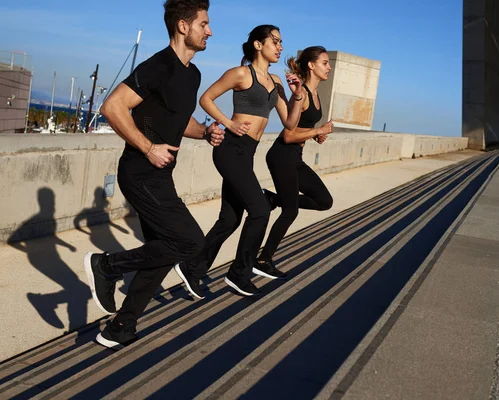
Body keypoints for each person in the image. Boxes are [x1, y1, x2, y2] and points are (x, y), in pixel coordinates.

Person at [83, 0, 224, 349]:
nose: (210, 31)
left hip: (160, 175)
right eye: (203, 24)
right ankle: (107, 265)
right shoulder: (158, 66)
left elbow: (178, 120)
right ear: (182, 26)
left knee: (164, 248)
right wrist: (148, 147)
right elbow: (112, 107)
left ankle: (121, 326)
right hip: (139, 171)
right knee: (189, 241)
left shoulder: (192, 74)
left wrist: (204, 132)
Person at [175, 24, 304, 297]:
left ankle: (192, 268)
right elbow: (206, 98)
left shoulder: (277, 82)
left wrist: (298, 96)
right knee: (260, 210)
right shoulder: (241, 74)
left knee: (229, 219)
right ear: (258, 45)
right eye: (275, 42)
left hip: (247, 153)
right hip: (230, 149)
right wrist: (227, 124)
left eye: (281, 42)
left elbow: (290, 123)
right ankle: (239, 273)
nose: (280, 47)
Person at [258, 46, 334, 274]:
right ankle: (263, 260)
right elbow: (289, 134)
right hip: (282, 155)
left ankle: (273, 199)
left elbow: (303, 129)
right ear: (311, 66)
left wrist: (316, 134)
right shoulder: (301, 95)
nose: (329, 67)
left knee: (324, 201)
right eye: (324, 63)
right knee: (291, 211)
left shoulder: (316, 94)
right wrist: (317, 130)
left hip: (294, 157)